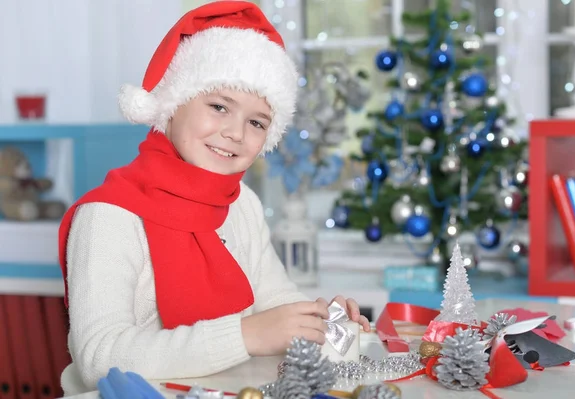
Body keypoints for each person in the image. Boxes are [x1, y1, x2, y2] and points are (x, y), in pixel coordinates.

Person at [57, 1, 370, 395]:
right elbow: (98, 358)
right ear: (171, 105)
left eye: (257, 122)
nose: (236, 133)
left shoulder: (242, 205)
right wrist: (245, 336)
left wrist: (320, 320)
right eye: (219, 106)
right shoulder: (108, 216)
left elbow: (274, 299)